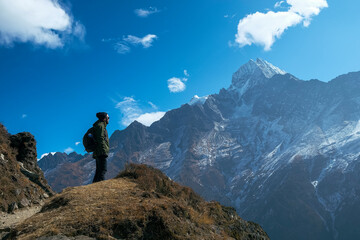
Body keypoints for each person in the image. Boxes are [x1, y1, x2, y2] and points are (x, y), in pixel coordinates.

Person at [92, 112, 110, 183]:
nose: (109, 119)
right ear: (104, 118)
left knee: (98, 171)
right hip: (101, 151)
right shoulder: (101, 126)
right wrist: (103, 150)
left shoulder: (99, 125)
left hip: (98, 151)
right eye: (108, 117)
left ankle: (93, 187)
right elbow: (100, 138)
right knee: (103, 169)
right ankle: (101, 187)